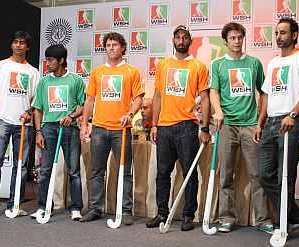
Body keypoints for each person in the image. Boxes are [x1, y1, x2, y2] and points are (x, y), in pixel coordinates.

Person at [209, 22, 273, 233]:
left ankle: (263, 219)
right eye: (232, 38)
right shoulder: (217, 64)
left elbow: (263, 92)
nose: (236, 42)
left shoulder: (254, 63)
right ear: (226, 41)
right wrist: (218, 111)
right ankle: (226, 218)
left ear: (243, 39)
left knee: (257, 174)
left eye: (239, 38)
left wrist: (259, 121)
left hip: (249, 125)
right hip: (227, 125)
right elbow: (213, 92)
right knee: (226, 175)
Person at [146, 25, 211, 231]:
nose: (181, 40)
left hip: (187, 127)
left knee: (189, 173)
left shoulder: (199, 67)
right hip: (164, 127)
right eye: (177, 37)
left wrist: (204, 127)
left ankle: (188, 215)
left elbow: (206, 99)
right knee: (163, 173)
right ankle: (161, 213)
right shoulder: (164, 65)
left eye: (185, 37)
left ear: (190, 41)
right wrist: (154, 125)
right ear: (173, 41)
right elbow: (157, 96)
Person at [253, 18, 299, 233]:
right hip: (270, 123)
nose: (278, 36)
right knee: (264, 174)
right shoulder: (272, 63)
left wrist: (293, 114)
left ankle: (283, 224)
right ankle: (294, 215)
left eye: (283, 33)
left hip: (291, 122)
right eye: (277, 33)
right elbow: (266, 96)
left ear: (294, 35)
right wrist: (260, 123)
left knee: (285, 177)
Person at [80, 32, 144, 225]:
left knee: (125, 171)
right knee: (97, 171)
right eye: (108, 45)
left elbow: (138, 98)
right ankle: (95, 208)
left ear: (123, 47)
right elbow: (90, 100)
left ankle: (125, 211)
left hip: (121, 130)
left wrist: (130, 114)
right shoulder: (97, 72)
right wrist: (84, 122)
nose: (111, 48)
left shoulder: (131, 71)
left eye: (115, 45)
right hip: (99, 128)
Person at [0, 31, 39, 219]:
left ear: (27, 47)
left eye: (23, 43)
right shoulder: (2, 66)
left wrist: (29, 113)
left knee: (20, 167)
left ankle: (14, 205)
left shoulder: (33, 72)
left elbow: (36, 101)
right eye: (16, 42)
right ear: (11, 45)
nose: (19, 45)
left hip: (24, 125)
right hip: (2, 120)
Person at [31, 44, 85, 221]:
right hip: (48, 128)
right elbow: (37, 109)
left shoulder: (75, 80)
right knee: (45, 170)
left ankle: (76, 207)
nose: (47, 63)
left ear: (61, 60)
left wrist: (71, 115)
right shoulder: (44, 82)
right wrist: (38, 132)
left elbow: (82, 105)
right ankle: (43, 206)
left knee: (74, 170)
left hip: (69, 128)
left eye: (51, 60)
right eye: (46, 59)